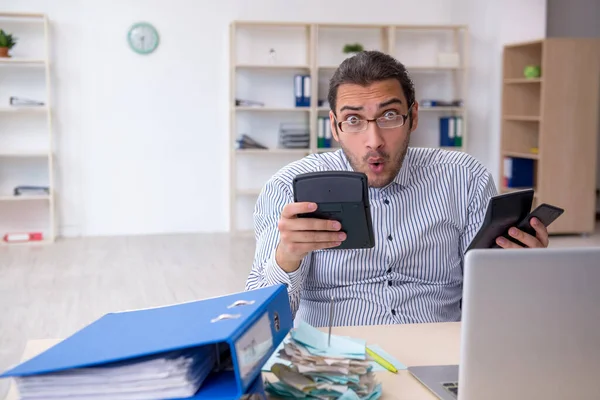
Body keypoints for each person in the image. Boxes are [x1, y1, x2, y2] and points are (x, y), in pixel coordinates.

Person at [244, 50, 549, 327]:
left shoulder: (466, 178)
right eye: (353, 120)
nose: (374, 140)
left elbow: (488, 300)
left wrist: (519, 271)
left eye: (389, 115)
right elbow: (259, 321)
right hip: (334, 357)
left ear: (413, 117)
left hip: (441, 350)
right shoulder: (287, 187)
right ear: (335, 127)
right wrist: (287, 256)